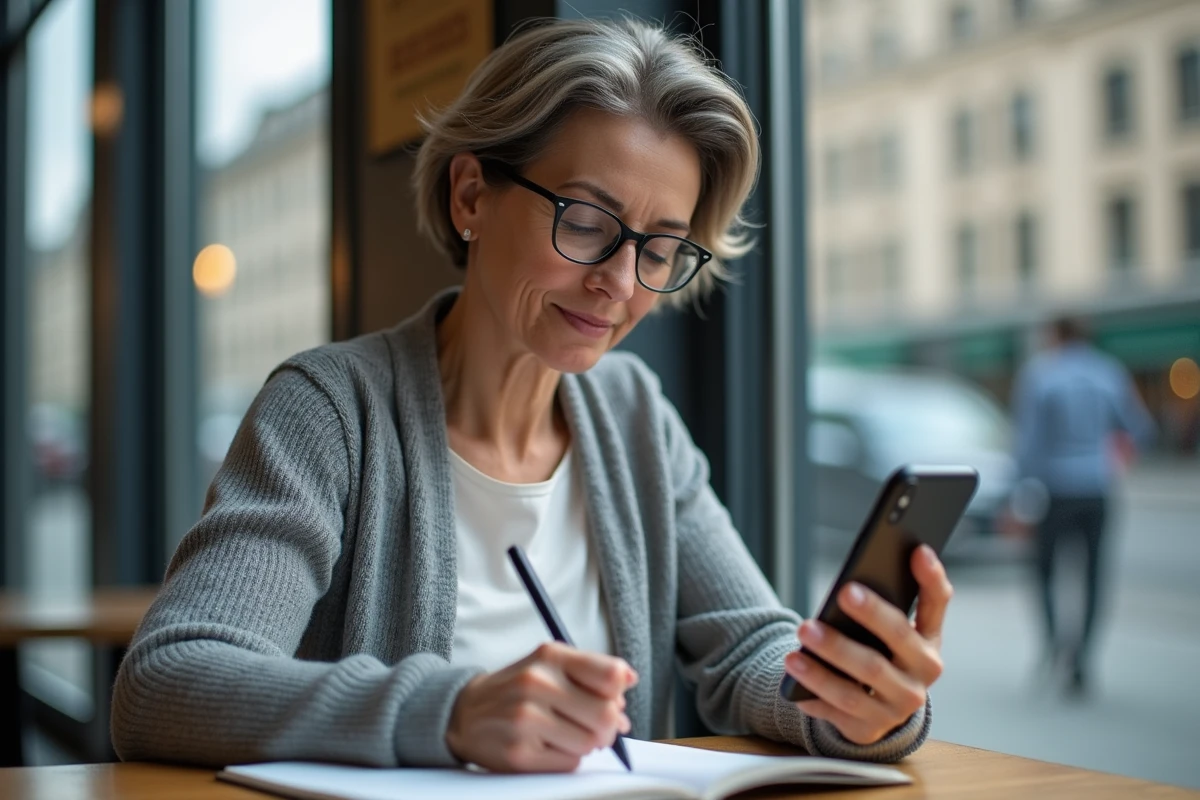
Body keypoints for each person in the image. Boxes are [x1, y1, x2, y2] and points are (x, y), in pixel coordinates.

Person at [111, 18, 953, 771]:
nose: (620, 282)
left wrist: (851, 702)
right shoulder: (331, 411)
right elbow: (168, 680)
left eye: (659, 249)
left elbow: (748, 650)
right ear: (472, 195)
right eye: (585, 221)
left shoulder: (634, 415)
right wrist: (450, 712)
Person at [1010, 315, 1156, 696]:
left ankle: (1053, 644)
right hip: (1096, 488)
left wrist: (1019, 493)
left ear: (1054, 335)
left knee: (1045, 573)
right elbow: (1140, 429)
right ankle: (1083, 660)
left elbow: (1028, 444)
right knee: (1093, 575)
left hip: (1054, 491)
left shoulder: (1041, 374)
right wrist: (1110, 459)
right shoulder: (1108, 373)